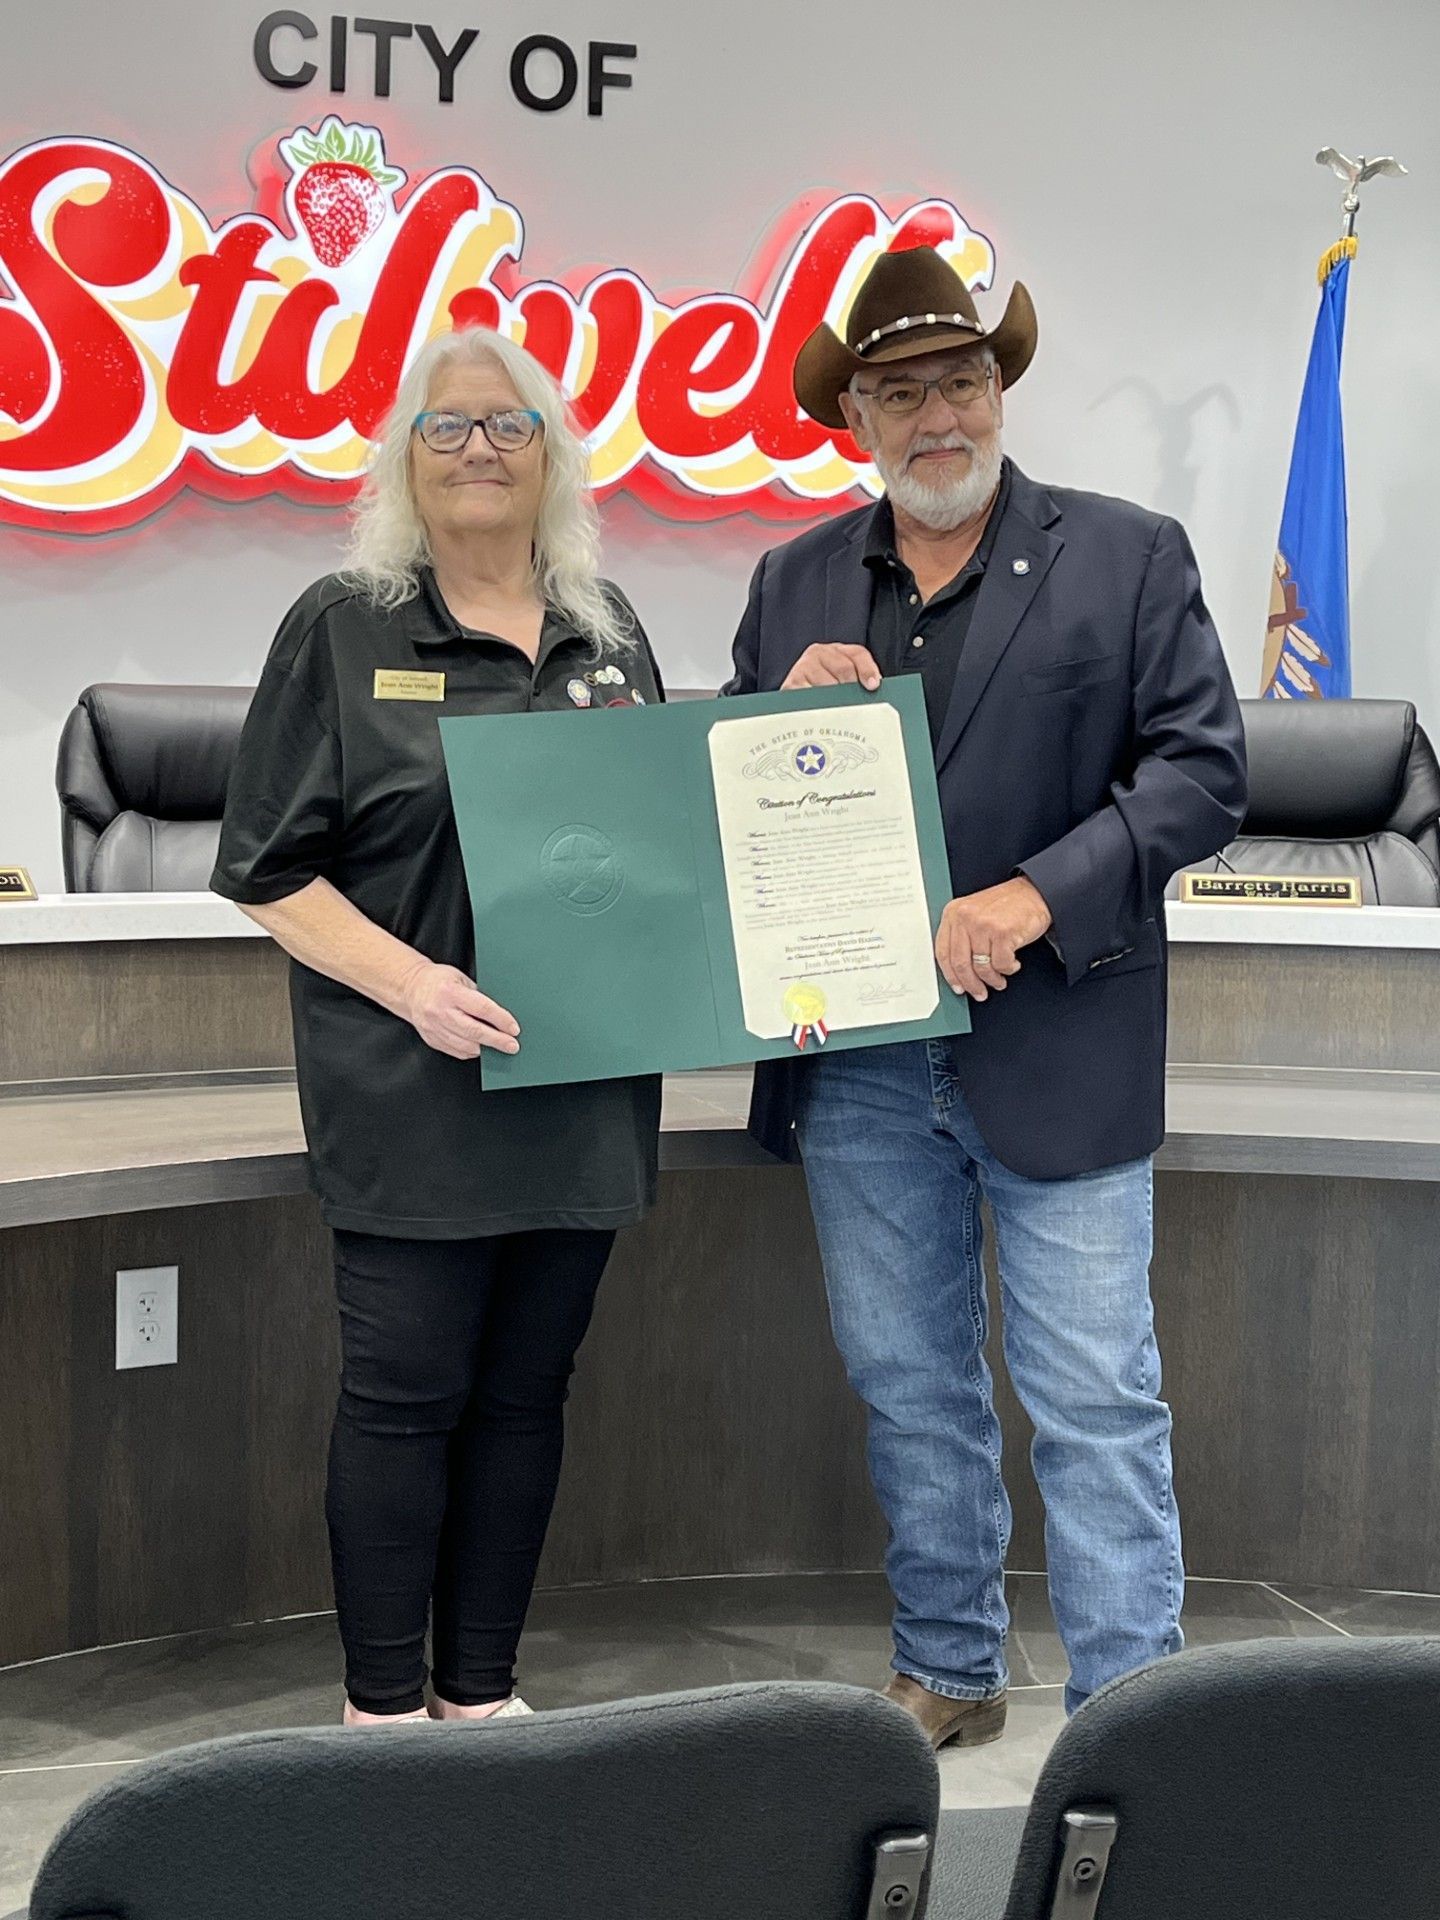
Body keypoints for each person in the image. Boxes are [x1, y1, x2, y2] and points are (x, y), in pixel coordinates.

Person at [724, 246, 1246, 1745]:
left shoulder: (1126, 554)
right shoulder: (793, 583)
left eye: (958, 378)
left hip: (1062, 1042)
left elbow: (1205, 776)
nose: (933, 413)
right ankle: (950, 1666)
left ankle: (1129, 1712)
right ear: (857, 418)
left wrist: (1038, 893)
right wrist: (769, 722)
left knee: (1093, 1400)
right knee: (909, 1382)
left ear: (999, 388)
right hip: (865, 1062)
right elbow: (734, 810)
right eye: (899, 390)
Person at [212, 325, 663, 1725]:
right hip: (406, 1091)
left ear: (555, 457)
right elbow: (270, 870)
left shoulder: (612, 629)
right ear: (407, 459)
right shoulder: (342, 625)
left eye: (510, 426)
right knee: (405, 1398)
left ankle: (481, 1695)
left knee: (529, 1397)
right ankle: (382, 1708)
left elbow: (659, 844)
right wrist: (413, 983)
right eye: (449, 428)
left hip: (578, 1087)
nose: (480, 450)